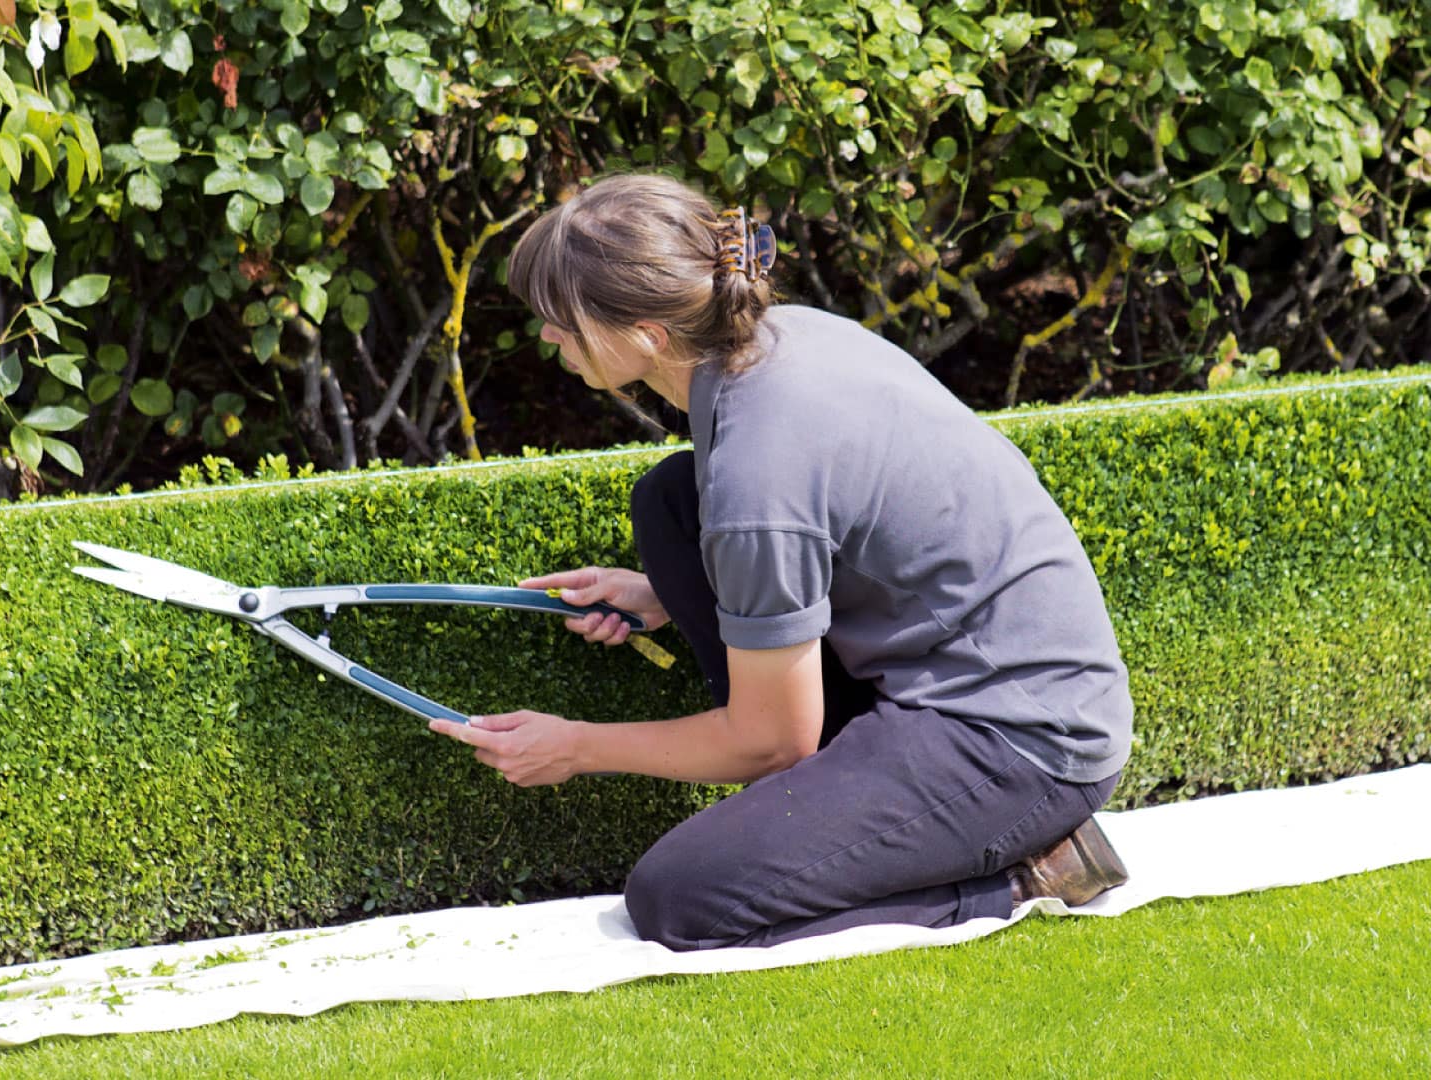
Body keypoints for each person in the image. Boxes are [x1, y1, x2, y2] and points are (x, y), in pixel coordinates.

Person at [427, 173, 1133, 951]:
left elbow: (772, 742)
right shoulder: (777, 338)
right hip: (977, 672)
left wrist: (577, 745)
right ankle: (850, 821)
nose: (549, 339)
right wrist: (663, 593)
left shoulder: (758, 474)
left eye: (560, 322)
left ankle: (1024, 872)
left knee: (680, 899)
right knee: (670, 503)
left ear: (648, 335)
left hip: (1020, 740)